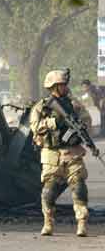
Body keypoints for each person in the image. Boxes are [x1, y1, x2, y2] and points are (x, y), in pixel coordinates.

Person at [30, 70, 89, 237]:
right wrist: (54, 122)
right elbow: (35, 127)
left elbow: (87, 120)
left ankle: (82, 223)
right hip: (51, 153)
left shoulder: (74, 104)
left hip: (73, 151)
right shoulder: (42, 106)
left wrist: (80, 124)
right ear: (54, 86)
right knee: (49, 190)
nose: (65, 87)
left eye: (65, 84)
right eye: (62, 85)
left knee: (79, 187)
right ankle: (48, 222)